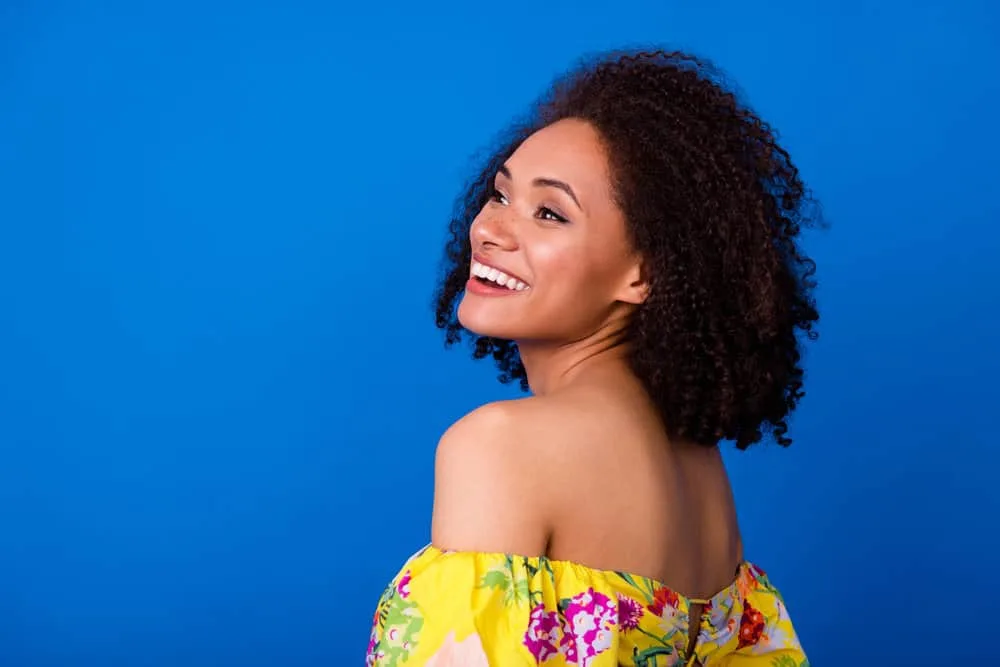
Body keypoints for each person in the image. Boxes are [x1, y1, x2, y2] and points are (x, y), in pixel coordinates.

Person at [366, 48, 819, 666]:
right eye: (500, 196)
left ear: (643, 273)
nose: (489, 230)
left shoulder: (500, 446)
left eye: (549, 212)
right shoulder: (697, 467)